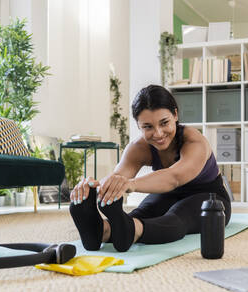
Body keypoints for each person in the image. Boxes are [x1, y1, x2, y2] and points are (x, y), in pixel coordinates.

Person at [69, 84, 231, 252]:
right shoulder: (138, 147)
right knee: (138, 214)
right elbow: (118, 176)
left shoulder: (195, 141)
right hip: (169, 194)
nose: (158, 133)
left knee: (177, 218)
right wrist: (92, 188)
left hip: (209, 198)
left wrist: (129, 184)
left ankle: (135, 231)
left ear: (175, 115)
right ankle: (103, 231)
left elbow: (173, 177)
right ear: (138, 126)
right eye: (148, 127)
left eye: (164, 123)